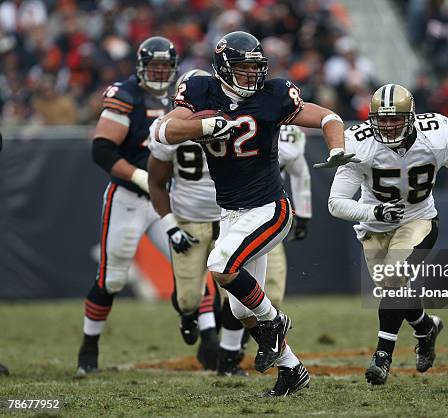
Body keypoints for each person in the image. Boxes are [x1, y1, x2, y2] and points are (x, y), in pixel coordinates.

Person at [152, 31, 356, 396]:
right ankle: (292, 370)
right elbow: (166, 131)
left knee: (220, 265)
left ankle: (276, 322)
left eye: (255, 67)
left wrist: (337, 149)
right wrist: (204, 125)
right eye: (244, 68)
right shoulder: (201, 91)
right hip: (231, 212)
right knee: (243, 311)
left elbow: (329, 117)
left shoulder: (273, 95)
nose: (252, 75)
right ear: (223, 68)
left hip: (270, 208)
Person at [328, 83, 448, 385]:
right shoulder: (358, 144)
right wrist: (374, 212)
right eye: (381, 120)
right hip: (374, 227)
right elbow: (335, 203)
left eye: (394, 119)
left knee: (396, 278)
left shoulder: (435, 138)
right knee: (395, 291)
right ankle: (426, 328)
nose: (387, 126)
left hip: (418, 220)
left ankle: (382, 356)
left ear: (411, 117)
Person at [76, 36, 178, 376]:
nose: (161, 73)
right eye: (155, 66)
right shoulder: (127, 94)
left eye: (166, 67)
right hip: (129, 196)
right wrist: (139, 177)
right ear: (141, 65)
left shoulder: (181, 96)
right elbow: (102, 150)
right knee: (112, 279)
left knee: (191, 264)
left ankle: (209, 341)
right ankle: (89, 345)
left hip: (168, 197)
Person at [148, 68, 247, 376]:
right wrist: (170, 225)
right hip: (189, 219)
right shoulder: (166, 129)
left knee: (231, 292)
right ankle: (190, 315)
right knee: (187, 299)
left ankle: (230, 350)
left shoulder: (229, 122)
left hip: (227, 217)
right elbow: (155, 182)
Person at [265, 125, 312, 309]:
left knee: (273, 293)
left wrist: (303, 215)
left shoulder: (288, 135)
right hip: (228, 210)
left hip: (266, 211)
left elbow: (300, 172)